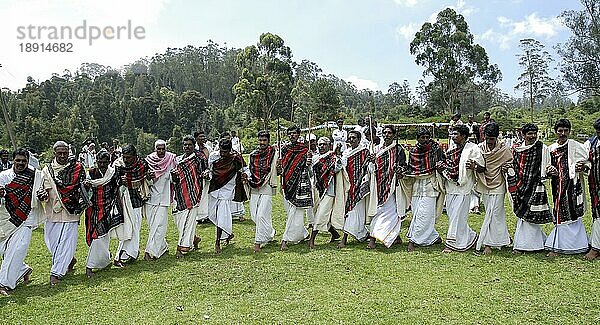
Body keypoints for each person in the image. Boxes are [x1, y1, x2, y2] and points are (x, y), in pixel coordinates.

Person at [40, 141, 89, 285]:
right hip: (52, 210)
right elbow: (43, 189)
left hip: (71, 210)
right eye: (59, 153)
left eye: (65, 153)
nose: (62, 156)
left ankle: (56, 273)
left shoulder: (77, 168)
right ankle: (69, 259)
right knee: (52, 242)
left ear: (69, 152)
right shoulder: (47, 170)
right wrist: (43, 194)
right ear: (54, 153)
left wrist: (85, 186)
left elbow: (83, 185)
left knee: (67, 241)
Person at [0, 148, 44, 296]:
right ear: (13, 160)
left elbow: (39, 194)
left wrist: (42, 195)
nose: (20, 163)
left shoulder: (35, 175)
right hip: (6, 218)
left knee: (17, 249)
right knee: (4, 249)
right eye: (18, 160)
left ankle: (4, 284)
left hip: (26, 217)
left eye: (24, 161)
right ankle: (23, 269)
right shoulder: (3, 176)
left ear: (28, 161)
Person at [545, 119, 590, 257]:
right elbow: (545, 167)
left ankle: (577, 244)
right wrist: (549, 170)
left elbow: (587, 163)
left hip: (573, 186)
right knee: (559, 212)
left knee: (573, 212)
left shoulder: (576, 146)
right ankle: (559, 245)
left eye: (566, 131)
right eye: (560, 131)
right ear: (555, 132)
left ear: (570, 131)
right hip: (557, 186)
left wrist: (581, 166)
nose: (563, 133)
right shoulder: (550, 149)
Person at [84, 151, 133, 277]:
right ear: (96, 161)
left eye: (105, 162)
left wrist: (123, 181)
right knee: (97, 235)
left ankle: (90, 266)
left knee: (100, 235)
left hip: (108, 209)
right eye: (100, 162)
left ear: (109, 162)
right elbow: (85, 191)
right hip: (94, 209)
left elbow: (121, 186)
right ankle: (104, 262)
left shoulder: (114, 172)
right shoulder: (91, 173)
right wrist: (87, 186)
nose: (102, 164)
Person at [507, 123, 553, 253]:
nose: (532, 136)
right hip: (520, 186)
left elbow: (547, 166)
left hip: (535, 186)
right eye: (529, 134)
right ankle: (528, 244)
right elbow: (515, 167)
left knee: (532, 216)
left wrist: (549, 171)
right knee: (522, 216)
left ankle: (529, 245)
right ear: (523, 135)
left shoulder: (542, 148)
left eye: (534, 133)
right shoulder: (517, 150)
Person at [438, 125, 483, 253]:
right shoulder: (451, 149)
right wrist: (441, 169)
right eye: (452, 134)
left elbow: (482, 167)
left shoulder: (473, 148)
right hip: (451, 187)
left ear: (463, 136)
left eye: (455, 134)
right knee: (455, 216)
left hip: (464, 187)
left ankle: (451, 244)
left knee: (457, 216)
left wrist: (475, 166)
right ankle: (471, 237)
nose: (452, 137)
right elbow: (447, 165)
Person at [367, 125, 409, 249]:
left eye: (389, 132)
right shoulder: (376, 149)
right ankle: (389, 236)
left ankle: (374, 240)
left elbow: (403, 166)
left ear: (394, 134)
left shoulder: (398, 149)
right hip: (378, 185)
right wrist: (373, 161)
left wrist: (399, 170)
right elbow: (370, 169)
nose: (386, 135)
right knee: (377, 211)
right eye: (384, 132)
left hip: (392, 186)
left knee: (390, 212)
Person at [404, 128, 445, 251]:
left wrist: (440, 167)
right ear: (418, 138)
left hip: (430, 185)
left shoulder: (435, 149)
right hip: (417, 186)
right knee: (416, 213)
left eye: (427, 137)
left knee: (424, 214)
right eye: (423, 137)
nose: (426, 140)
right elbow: (410, 169)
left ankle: (413, 240)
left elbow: (443, 162)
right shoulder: (413, 151)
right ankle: (433, 237)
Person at [474, 122, 512, 255]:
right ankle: (501, 240)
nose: (489, 142)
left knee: (495, 213)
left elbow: (512, 164)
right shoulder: (479, 148)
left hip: (499, 184)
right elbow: (477, 165)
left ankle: (488, 244)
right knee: (491, 212)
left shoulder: (504, 149)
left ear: (497, 137)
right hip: (485, 183)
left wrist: (507, 168)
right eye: (487, 138)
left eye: (492, 139)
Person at [113, 145, 152, 265]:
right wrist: (120, 181)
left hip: (137, 198)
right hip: (123, 199)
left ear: (134, 156)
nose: (126, 160)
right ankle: (121, 255)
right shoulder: (118, 165)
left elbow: (148, 179)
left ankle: (131, 253)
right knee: (126, 226)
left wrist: (149, 177)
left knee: (136, 226)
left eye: (128, 157)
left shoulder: (142, 164)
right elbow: (112, 181)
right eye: (124, 157)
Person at [207, 138, 247, 254]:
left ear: (230, 150)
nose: (223, 154)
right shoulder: (213, 156)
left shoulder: (236, 157)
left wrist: (245, 175)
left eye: (226, 152)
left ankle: (217, 241)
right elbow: (210, 170)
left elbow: (245, 169)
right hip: (214, 188)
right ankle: (228, 233)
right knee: (212, 214)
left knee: (221, 215)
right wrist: (207, 174)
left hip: (227, 189)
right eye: (221, 151)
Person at [171, 136, 207, 258]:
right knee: (179, 221)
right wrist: (174, 175)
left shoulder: (199, 159)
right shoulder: (178, 159)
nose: (187, 147)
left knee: (187, 222)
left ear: (194, 145)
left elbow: (206, 172)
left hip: (193, 194)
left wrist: (206, 174)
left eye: (190, 145)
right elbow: (174, 179)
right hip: (179, 195)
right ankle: (194, 239)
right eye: (185, 145)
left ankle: (181, 248)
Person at [337, 130, 375, 248]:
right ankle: (362, 233)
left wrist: (372, 161)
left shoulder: (365, 152)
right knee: (349, 210)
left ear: (359, 139)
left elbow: (370, 169)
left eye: (354, 138)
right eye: (350, 138)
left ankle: (345, 238)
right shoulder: (346, 153)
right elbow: (340, 167)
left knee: (355, 211)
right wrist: (338, 155)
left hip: (360, 185)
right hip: (349, 185)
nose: (352, 140)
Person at [278, 126, 312, 250]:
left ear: (298, 135)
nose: (292, 135)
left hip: (299, 183)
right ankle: (303, 234)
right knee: (291, 212)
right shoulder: (285, 149)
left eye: (294, 133)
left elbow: (309, 168)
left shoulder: (304, 149)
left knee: (294, 211)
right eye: (290, 134)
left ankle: (285, 240)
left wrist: (308, 161)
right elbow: (281, 167)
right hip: (286, 183)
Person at [245, 131, 278, 252]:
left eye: (264, 140)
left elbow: (277, 170)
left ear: (268, 141)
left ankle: (258, 243)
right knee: (255, 216)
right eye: (260, 140)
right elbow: (250, 170)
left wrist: (278, 169)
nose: (262, 143)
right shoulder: (253, 155)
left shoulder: (274, 153)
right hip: (254, 186)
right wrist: (246, 176)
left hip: (267, 186)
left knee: (261, 215)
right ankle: (269, 233)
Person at [308, 137, 343, 249]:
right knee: (317, 212)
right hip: (317, 188)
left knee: (321, 214)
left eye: (324, 144)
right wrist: (307, 164)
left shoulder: (332, 157)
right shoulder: (315, 158)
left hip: (329, 189)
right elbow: (310, 174)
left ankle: (312, 239)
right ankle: (334, 233)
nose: (321, 146)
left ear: (329, 145)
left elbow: (338, 168)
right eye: (319, 144)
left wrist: (337, 156)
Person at [143, 140, 176, 260]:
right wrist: (148, 177)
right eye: (159, 149)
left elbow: (173, 178)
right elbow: (145, 179)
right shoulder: (148, 160)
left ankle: (150, 252)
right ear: (155, 149)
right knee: (153, 225)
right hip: (150, 198)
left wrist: (173, 176)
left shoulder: (171, 159)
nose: (161, 151)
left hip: (163, 197)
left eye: (163, 149)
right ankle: (162, 247)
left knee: (160, 226)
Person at [585, 118, 600, 260]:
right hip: (596, 186)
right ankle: (595, 247)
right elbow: (583, 160)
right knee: (598, 215)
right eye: (598, 131)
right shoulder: (591, 143)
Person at [194, 130, 212, 224]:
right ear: (196, 138)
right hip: (196, 175)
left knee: (206, 195)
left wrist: (208, 171)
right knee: (198, 195)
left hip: (207, 174)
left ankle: (206, 215)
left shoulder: (208, 148)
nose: (203, 138)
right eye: (200, 137)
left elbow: (211, 161)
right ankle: (198, 216)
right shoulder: (194, 148)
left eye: (203, 136)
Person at [230, 131, 246, 221]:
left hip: (236, 176)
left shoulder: (237, 142)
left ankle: (240, 214)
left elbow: (243, 164)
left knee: (237, 194)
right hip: (228, 179)